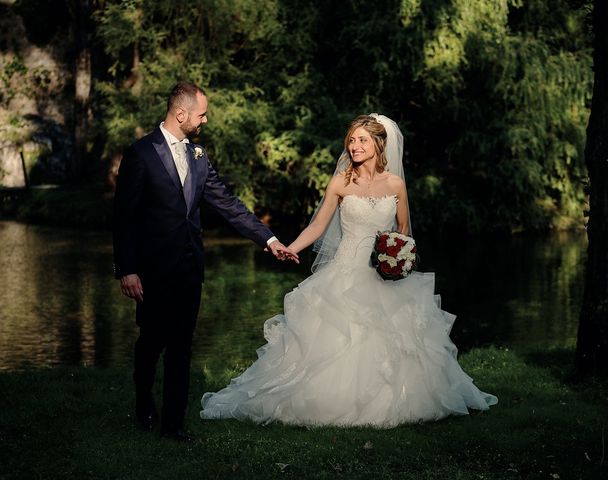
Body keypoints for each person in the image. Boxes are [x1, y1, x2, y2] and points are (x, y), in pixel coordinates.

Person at [200, 114, 497, 427]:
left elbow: (404, 230)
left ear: (378, 144)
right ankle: (329, 402)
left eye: (362, 140)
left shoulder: (395, 184)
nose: (354, 146)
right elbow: (318, 224)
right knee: (337, 339)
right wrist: (291, 248)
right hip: (344, 272)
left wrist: (399, 260)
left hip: (383, 275)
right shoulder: (341, 181)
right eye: (352, 140)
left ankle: (395, 401)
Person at [113, 81, 298, 441]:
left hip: (188, 267)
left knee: (182, 345)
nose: (205, 120)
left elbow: (228, 204)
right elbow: (124, 217)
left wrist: (270, 238)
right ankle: (142, 398)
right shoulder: (141, 153)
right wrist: (127, 269)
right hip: (151, 269)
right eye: (201, 114)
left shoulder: (199, 156)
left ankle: (173, 425)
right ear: (180, 114)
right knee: (151, 342)